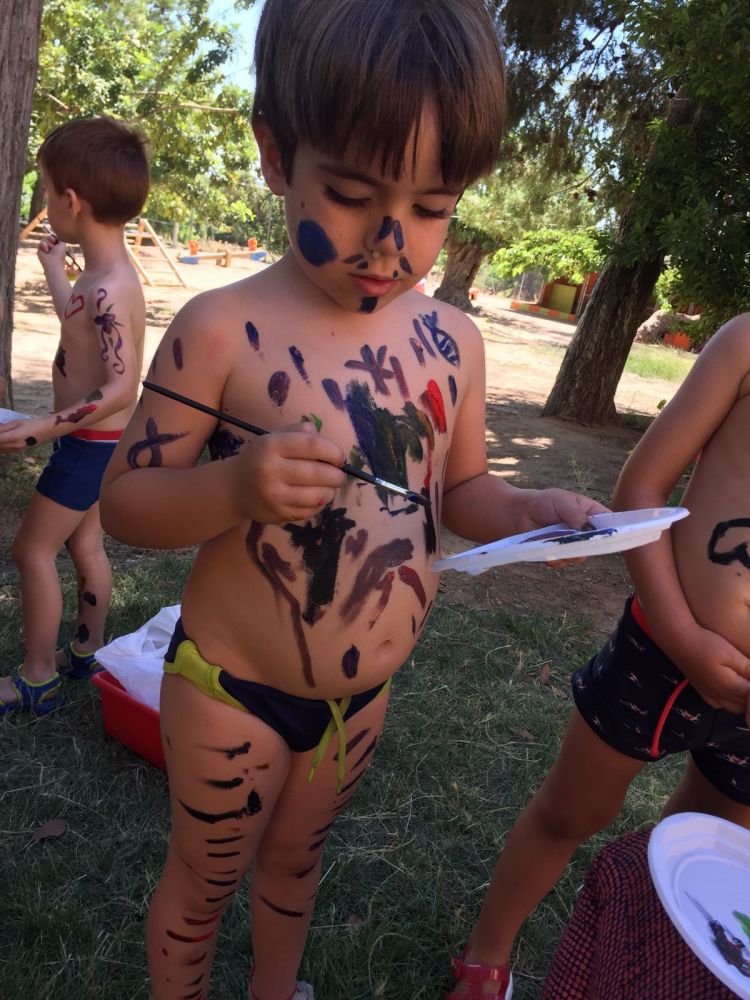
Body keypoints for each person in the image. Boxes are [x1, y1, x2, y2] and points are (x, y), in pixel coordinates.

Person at [99, 3, 604, 998]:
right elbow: (126, 505)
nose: (389, 241)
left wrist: (531, 509)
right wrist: (233, 486)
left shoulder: (454, 343)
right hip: (232, 689)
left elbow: (461, 491)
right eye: (349, 193)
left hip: (358, 703)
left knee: (295, 870)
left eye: (433, 206)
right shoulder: (220, 330)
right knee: (203, 887)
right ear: (274, 154)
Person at [446, 314, 750, 999]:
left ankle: (643, 967)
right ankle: (486, 957)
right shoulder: (745, 344)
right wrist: (683, 636)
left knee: (699, 859)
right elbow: (640, 490)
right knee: (570, 813)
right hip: (662, 654)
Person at [0, 116, 149, 716]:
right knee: (86, 547)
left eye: (44, 186)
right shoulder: (102, 276)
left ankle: (38, 677)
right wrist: (53, 273)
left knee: (31, 551)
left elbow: (121, 387)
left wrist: (43, 427)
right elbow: (77, 326)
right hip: (96, 444)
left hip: (89, 445)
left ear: (70, 199)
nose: (43, 198)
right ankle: (87, 651)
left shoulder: (109, 286)